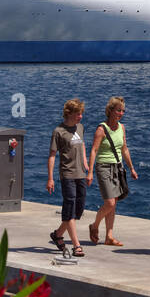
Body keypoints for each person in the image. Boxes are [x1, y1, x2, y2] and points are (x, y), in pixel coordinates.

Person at [88, 96, 137, 247]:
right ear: (110, 111)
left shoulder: (122, 128)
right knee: (109, 202)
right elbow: (94, 150)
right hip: (103, 167)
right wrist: (89, 172)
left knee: (114, 203)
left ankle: (109, 236)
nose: (121, 113)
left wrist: (131, 168)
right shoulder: (101, 129)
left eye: (123, 111)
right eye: (118, 110)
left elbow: (124, 149)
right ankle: (94, 225)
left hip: (118, 167)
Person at [47, 99, 90, 256]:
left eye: (81, 113)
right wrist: (50, 178)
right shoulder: (59, 131)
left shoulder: (80, 127)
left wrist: (85, 163)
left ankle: (58, 235)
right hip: (67, 174)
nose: (80, 116)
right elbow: (52, 155)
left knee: (78, 209)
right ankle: (76, 245)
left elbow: (82, 144)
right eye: (78, 113)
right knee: (70, 208)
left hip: (81, 174)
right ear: (69, 113)